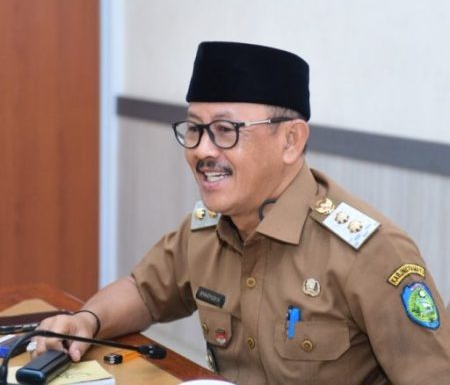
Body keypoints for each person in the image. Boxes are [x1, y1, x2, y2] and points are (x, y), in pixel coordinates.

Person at [36, 42, 450, 384]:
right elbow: (144, 291)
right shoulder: (206, 230)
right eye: (194, 129)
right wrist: (88, 319)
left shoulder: (371, 254)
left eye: (225, 131)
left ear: (291, 141)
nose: (201, 150)